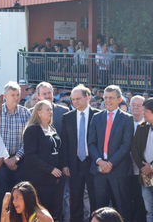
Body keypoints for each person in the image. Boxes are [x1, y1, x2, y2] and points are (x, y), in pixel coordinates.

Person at [88, 85, 134, 221]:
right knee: (99, 209)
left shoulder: (127, 119)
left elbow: (126, 145)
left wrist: (110, 163)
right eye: (105, 98)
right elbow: (91, 143)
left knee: (122, 208)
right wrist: (100, 162)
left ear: (119, 99)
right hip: (99, 170)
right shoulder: (96, 117)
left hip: (119, 171)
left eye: (111, 98)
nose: (107, 101)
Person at [0, 81, 31, 221]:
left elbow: (29, 140)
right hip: (0, 161)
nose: (16, 97)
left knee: (19, 195)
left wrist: (17, 157)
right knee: (2, 194)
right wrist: (5, 158)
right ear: (5, 96)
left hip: (20, 160)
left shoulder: (25, 113)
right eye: (12, 95)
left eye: (18, 94)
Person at [61, 85, 99, 222]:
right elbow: (64, 143)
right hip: (74, 164)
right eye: (73, 99)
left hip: (92, 162)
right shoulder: (68, 117)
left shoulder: (98, 115)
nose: (75, 102)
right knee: (75, 199)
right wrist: (65, 164)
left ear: (88, 97)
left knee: (94, 198)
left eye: (78, 99)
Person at [23, 100, 63, 220]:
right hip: (39, 179)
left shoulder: (52, 128)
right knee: (40, 211)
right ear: (39, 112)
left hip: (54, 179)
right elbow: (30, 155)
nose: (51, 112)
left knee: (54, 210)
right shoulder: (32, 130)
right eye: (47, 110)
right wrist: (50, 169)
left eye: (51, 109)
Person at [131, 97, 153, 222]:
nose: (142, 113)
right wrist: (143, 167)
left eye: (145, 111)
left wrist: (151, 166)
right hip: (146, 175)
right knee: (150, 211)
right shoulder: (142, 127)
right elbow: (134, 149)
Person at [128, 95, 147, 222]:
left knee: (146, 200)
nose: (135, 107)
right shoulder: (125, 121)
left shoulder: (147, 124)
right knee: (131, 199)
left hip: (145, 170)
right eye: (133, 105)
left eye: (139, 105)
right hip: (128, 169)